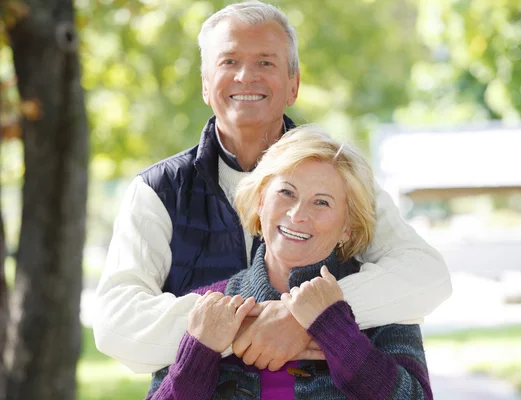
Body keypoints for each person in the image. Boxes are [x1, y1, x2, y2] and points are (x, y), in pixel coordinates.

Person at [93, 0, 450, 383]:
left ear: (293, 84)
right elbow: (116, 325)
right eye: (229, 62)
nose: (247, 76)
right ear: (205, 84)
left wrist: (308, 318)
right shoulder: (157, 192)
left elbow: (427, 277)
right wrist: (246, 328)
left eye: (266, 62)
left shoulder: (342, 178)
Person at [149, 125, 433, 400]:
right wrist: (198, 355)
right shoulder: (207, 307)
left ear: (348, 226)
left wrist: (334, 328)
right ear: (260, 201)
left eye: (321, 202)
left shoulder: (387, 302)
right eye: (286, 193)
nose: (298, 215)